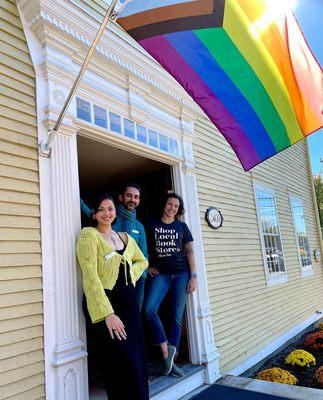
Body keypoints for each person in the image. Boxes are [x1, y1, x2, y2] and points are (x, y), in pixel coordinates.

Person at [76, 194, 149, 400]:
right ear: (95, 213)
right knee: (119, 362)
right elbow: (90, 277)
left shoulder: (125, 237)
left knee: (135, 358)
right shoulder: (89, 235)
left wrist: (130, 275)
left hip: (129, 303)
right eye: (101, 209)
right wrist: (108, 314)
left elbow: (142, 261)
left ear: (115, 212)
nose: (106, 213)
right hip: (107, 304)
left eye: (110, 209)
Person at [144, 193, 197, 378]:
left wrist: (193, 277)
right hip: (162, 275)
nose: (172, 208)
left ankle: (170, 363)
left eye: (176, 205)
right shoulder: (152, 224)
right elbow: (143, 247)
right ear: (164, 205)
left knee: (176, 316)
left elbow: (190, 252)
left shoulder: (182, 226)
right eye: (170, 204)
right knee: (149, 309)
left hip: (182, 275)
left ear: (178, 209)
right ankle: (165, 348)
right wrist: (147, 265)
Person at [80, 183, 148, 311]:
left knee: (134, 315)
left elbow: (143, 256)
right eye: (129, 195)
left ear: (138, 200)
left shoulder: (139, 226)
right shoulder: (107, 219)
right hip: (108, 282)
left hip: (135, 279)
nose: (132, 199)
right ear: (121, 197)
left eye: (136, 197)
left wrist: (135, 274)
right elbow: (88, 209)